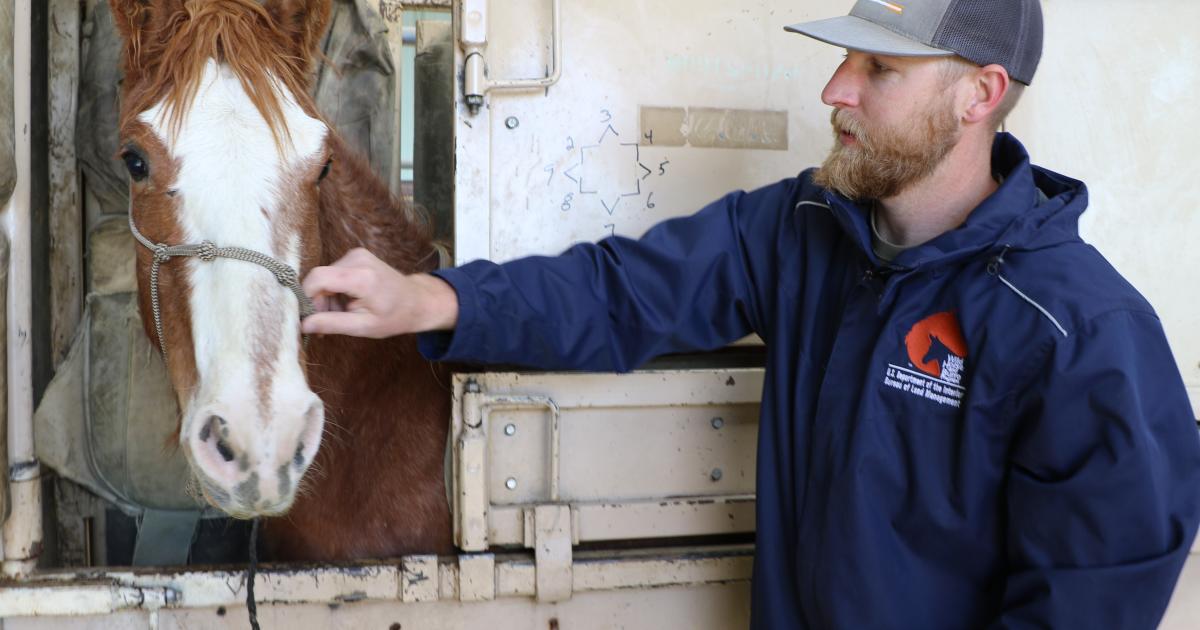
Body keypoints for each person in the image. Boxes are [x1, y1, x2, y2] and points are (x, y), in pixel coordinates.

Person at [301, 1, 1200, 627]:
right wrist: (434, 298)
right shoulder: (802, 230)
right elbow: (622, 293)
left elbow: (1088, 600)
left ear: (980, 95)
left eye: (878, 68)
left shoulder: (1079, 332)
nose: (834, 90)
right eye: (844, 57)